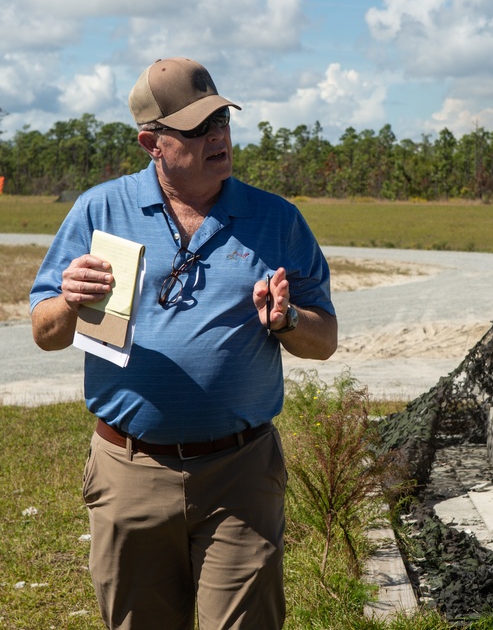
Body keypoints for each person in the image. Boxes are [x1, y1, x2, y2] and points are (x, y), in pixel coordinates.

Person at [30, 57, 338, 630]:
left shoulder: (277, 219)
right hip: (129, 470)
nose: (218, 135)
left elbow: (324, 341)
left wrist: (289, 319)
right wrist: (69, 301)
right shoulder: (101, 210)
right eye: (198, 128)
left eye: (221, 119)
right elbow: (45, 333)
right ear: (152, 141)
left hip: (241, 474)